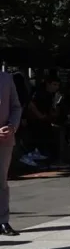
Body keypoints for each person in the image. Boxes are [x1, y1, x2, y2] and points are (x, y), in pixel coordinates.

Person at [0, 69, 21, 236]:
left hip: (4, 139)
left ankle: (3, 221)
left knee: (1, 181)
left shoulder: (6, 79)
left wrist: (12, 126)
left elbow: (16, 106)